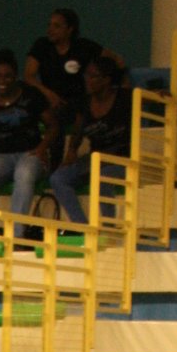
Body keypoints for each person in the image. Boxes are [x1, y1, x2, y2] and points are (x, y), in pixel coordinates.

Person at [49, 55, 135, 226]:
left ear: (106, 80)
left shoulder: (124, 97)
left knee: (101, 177)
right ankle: (82, 227)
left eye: (92, 76)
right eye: (86, 75)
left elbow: (147, 97)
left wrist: (160, 94)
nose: (87, 80)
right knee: (58, 178)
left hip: (122, 159)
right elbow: (78, 129)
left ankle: (109, 227)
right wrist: (72, 151)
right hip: (95, 159)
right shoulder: (85, 102)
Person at [0, 50, 55, 218]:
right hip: (0, 155)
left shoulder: (31, 96)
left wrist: (42, 148)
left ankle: (16, 230)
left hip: (30, 152)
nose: (2, 81)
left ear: (15, 77)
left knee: (24, 174)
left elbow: (53, 126)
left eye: (7, 76)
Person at [23, 8, 121, 122]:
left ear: (70, 29)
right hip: (49, 102)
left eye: (56, 26)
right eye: (49, 25)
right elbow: (29, 76)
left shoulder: (83, 47)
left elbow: (117, 60)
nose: (50, 30)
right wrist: (49, 95)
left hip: (78, 103)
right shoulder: (42, 45)